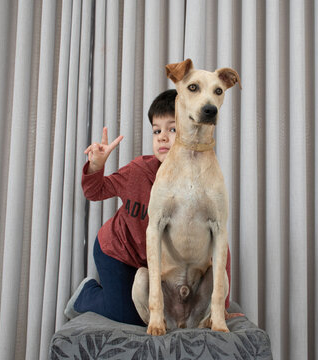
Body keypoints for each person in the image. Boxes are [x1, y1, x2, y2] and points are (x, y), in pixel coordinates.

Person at [64, 89, 232, 326]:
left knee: (158, 312)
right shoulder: (138, 171)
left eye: (172, 129)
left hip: (152, 265)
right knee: (128, 315)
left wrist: (222, 307)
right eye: (157, 130)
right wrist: (96, 166)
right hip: (117, 252)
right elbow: (95, 191)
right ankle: (86, 294)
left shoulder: (201, 183)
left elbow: (217, 241)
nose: (162, 137)